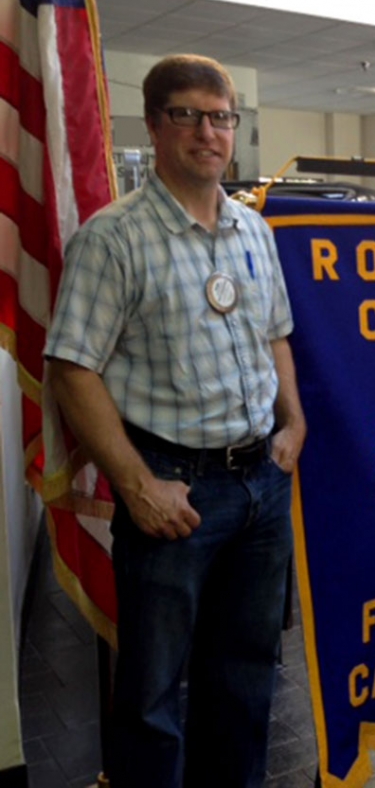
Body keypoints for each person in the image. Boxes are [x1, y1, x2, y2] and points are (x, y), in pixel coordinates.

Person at [45, 54, 306, 788]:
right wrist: (136, 485)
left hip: (261, 483)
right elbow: (72, 366)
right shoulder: (113, 237)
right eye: (187, 115)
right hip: (174, 491)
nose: (208, 132)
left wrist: (295, 423)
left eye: (221, 117)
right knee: (154, 693)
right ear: (156, 125)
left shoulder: (255, 231)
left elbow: (275, 334)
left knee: (247, 672)